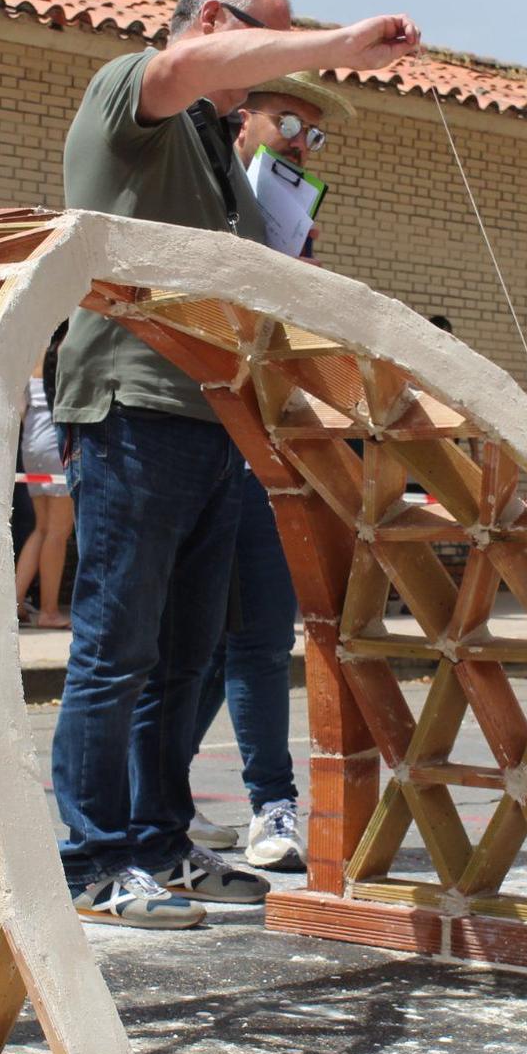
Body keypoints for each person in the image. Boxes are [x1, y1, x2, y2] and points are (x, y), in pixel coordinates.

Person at [49, 0, 419, 928]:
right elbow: (192, 65)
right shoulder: (134, 90)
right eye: (261, 49)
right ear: (213, 21)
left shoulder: (220, 147)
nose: (265, 93)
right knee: (114, 645)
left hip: (217, 416)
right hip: (133, 404)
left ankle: (162, 844)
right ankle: (92, 859)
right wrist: (339, 47)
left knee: (190, 656)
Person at [183, 69, 357, 873]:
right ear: (243, 118)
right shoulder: (198, 186)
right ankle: (156, 803)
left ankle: (269, 804)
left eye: (315, 136)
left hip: (263, 440)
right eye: (290, 122)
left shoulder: (291, 218)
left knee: (252, 635)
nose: (300, 143)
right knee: (184, 644)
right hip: (188, 429)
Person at [15, 325, 73, 629]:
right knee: (58, 532)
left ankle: (15, 600)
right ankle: (49, 610)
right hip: (54, 441)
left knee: (42, 528)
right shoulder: (67, 345)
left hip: (31, 442)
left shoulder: (30, 348)